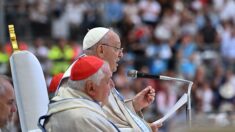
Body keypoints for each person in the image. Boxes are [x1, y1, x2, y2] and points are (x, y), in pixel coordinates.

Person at [54, 27, 162, 131]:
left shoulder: (99, 73)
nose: (121, 54)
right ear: (101, 49)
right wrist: (143, 129)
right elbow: (90, 124)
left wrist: (134, 104)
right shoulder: (80, 76)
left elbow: (109, 117)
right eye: (117, 49)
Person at [44, 56, 120, 132]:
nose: (112, 85)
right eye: (107, 81)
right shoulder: (85, 119)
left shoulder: (66, 105)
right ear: (91, 88)